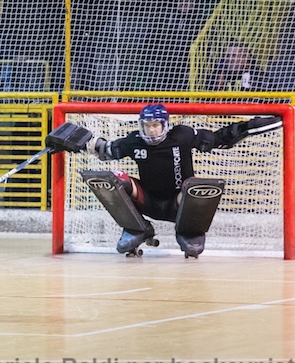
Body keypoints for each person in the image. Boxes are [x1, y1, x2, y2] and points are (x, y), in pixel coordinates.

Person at [45, 104, 282, 258]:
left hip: (179, 205)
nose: (151, 130)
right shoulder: (135, 141)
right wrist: (76, 141)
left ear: (165, 125)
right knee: (115, 178)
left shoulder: (183, 135)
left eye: (155, 125)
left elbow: (219, 138)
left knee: (195, 185)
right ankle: (137, 228)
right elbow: (106, 150)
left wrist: (249, 127)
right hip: (148, 201)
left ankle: (190, 231)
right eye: (147, 126)